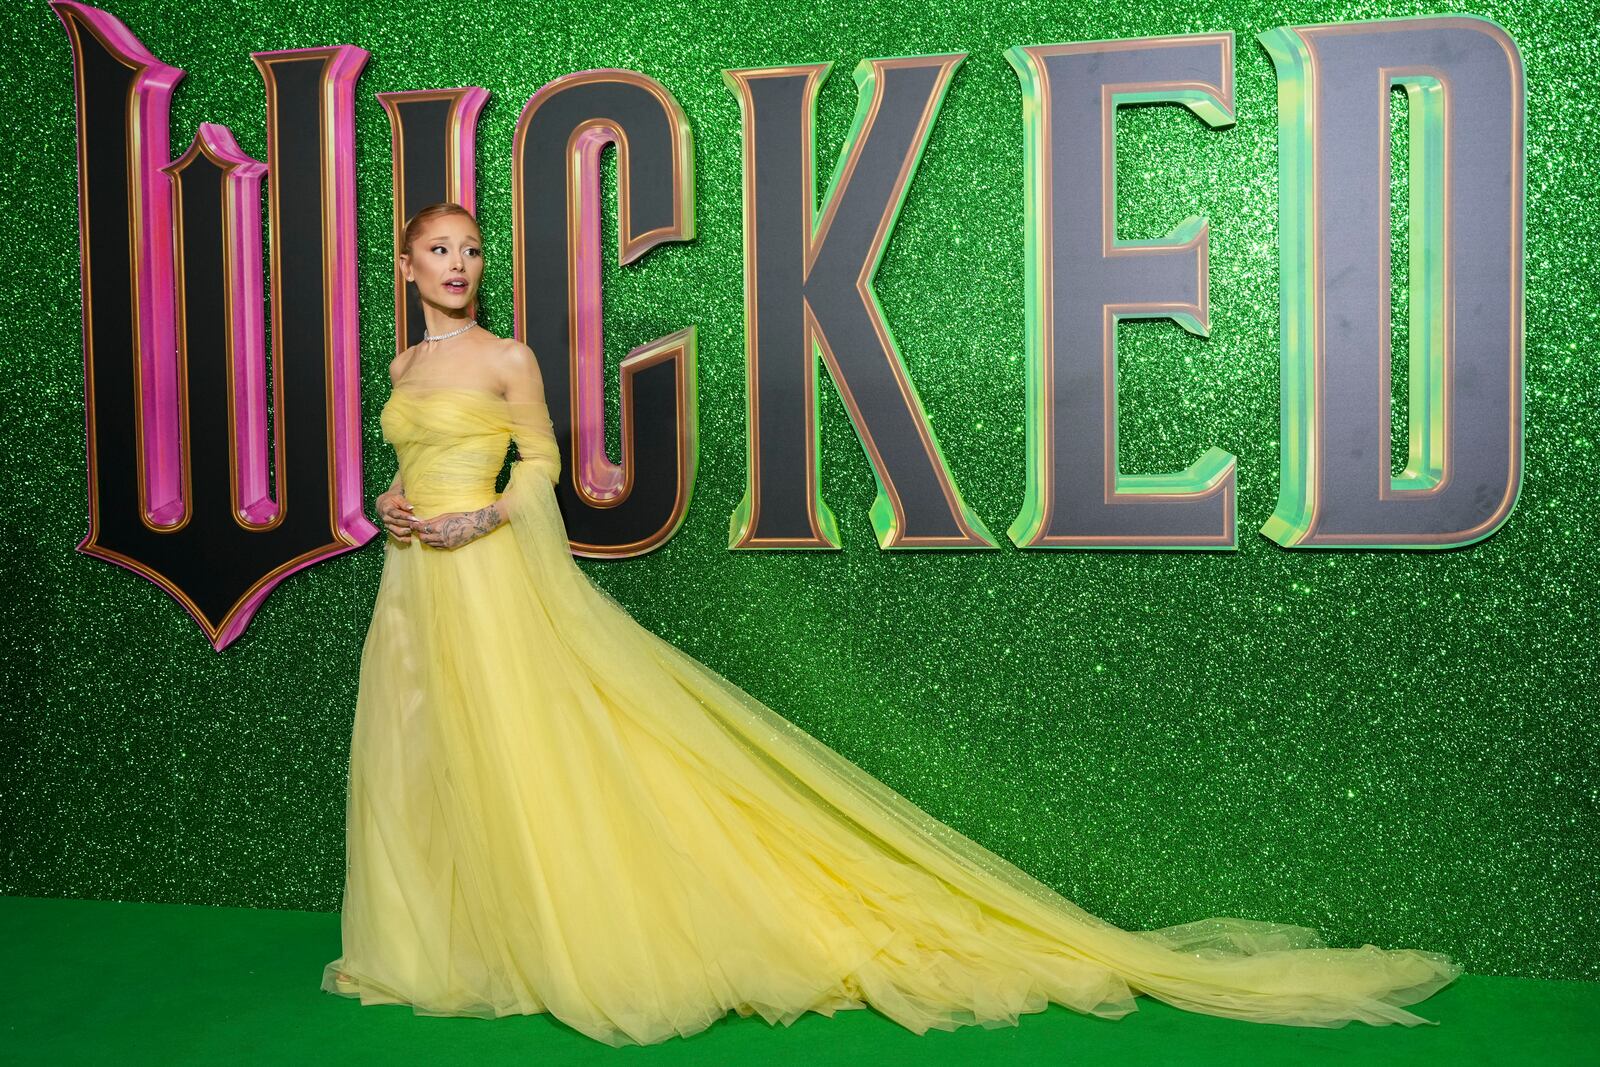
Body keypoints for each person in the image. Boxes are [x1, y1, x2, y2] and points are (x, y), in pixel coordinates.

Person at [319, 202, 1463, 1047]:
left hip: (488, 575)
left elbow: (546, 465)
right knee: (424, 752)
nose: (461, 265)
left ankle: (567, 925)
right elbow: (412, 460)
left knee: (526, 744)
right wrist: (396, 506)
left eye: (472, 250)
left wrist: (480, 522)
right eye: (441, 251)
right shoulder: (408, 359)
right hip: (416, 584)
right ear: (409, 264)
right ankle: (452, 941)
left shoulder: (507, 356)